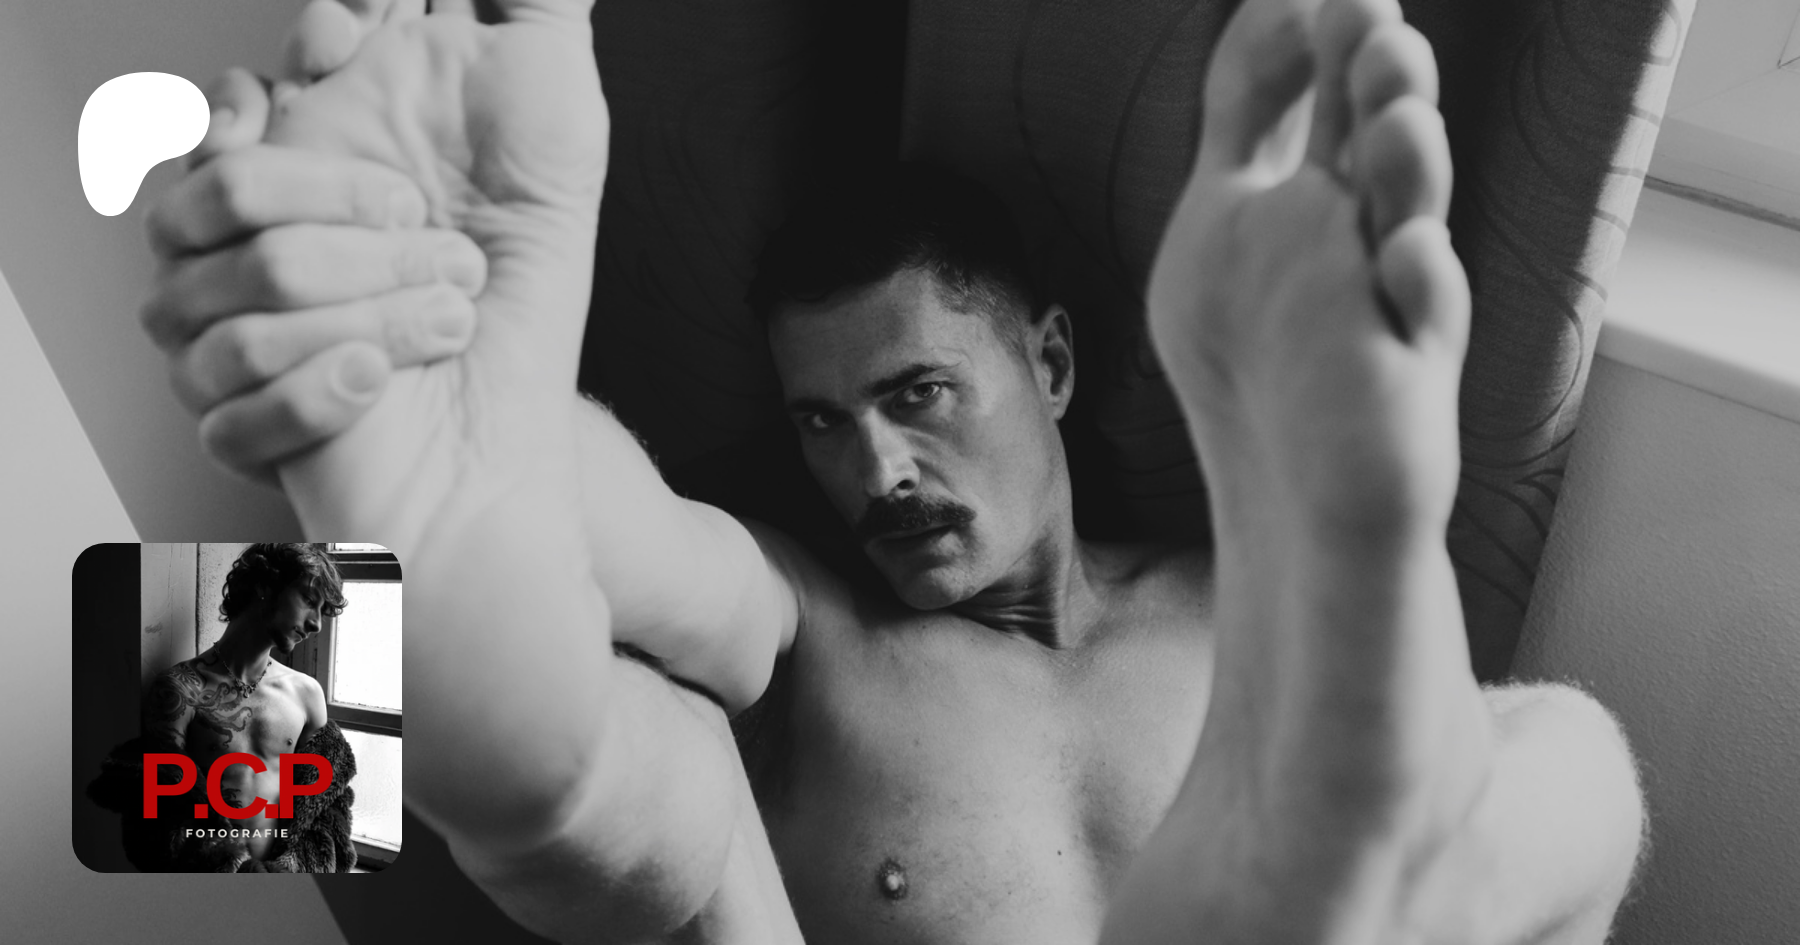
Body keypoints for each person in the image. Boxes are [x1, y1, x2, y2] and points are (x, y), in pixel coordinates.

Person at [139, 0, 1645, 938]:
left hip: (1338, 824)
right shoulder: (814, 621)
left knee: (1569, 747)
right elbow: (664, 549)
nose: (873, 469)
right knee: (675, 780)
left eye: (917, 393)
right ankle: (478, 500)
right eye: (818, 422)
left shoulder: (1240, 603)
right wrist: (474, 395)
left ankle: (1424, 867)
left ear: (1053, 366)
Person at [89, 543, 360, 872]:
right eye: (308, 600)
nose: (316, 623)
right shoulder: (180, 691)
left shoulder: (306, 694)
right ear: (264, 585)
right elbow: (161, 812)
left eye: (322, 610)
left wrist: (294, 868)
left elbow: (323, 806)